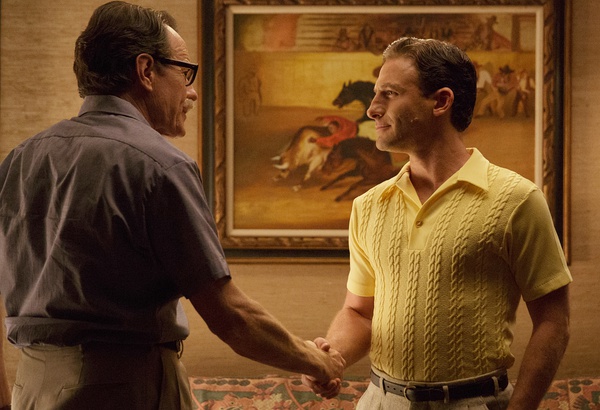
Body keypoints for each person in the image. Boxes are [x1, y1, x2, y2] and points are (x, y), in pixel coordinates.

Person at [0, 2, 344, 409]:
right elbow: (230, 316)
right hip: (123, 389)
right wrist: (317, 361)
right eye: (185, 72)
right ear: (146, 70)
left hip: (30, 388)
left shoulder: (19, 159)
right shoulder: (159, 165)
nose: (192, 91)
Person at [302, 37, 572, 409]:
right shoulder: (369, 206)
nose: (372, 109)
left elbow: (554, 322)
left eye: (389, 94)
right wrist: (332, 357)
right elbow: (360, 312)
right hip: (381, 402)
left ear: (441, 101)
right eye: (376, 95)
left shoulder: (518, 200)